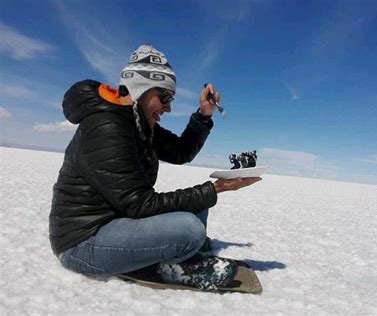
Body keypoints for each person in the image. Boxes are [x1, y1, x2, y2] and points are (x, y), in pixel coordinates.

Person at [49, 44, 261, 290]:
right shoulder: (108, 127)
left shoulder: (137, 122)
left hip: (118, 221)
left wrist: (204, 114)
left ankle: (177, 250)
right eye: (165, 97)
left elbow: (181, 152)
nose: (168, 107)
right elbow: (140, 204)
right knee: (190, 230)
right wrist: (217, 189)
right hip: (83, 242)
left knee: (196, 209)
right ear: (142, 89)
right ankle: (174, 263)